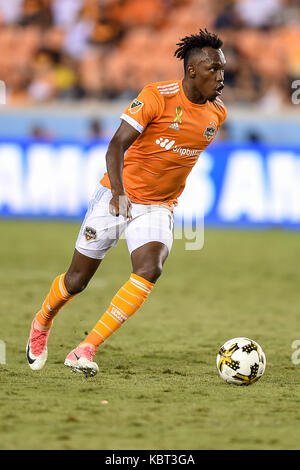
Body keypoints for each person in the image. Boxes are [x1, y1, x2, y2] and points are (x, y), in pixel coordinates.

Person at [26, 29, 227, 377]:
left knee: (150, 268)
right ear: (192, 70)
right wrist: (119, 192)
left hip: (158, 205)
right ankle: (42, 321)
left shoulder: (216, 115)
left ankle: (85, 348)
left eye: (223, 70)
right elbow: (116, 146)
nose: (221, 78)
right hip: (117, 195)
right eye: (214, 70)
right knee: (76, 281)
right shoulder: (156, 96)